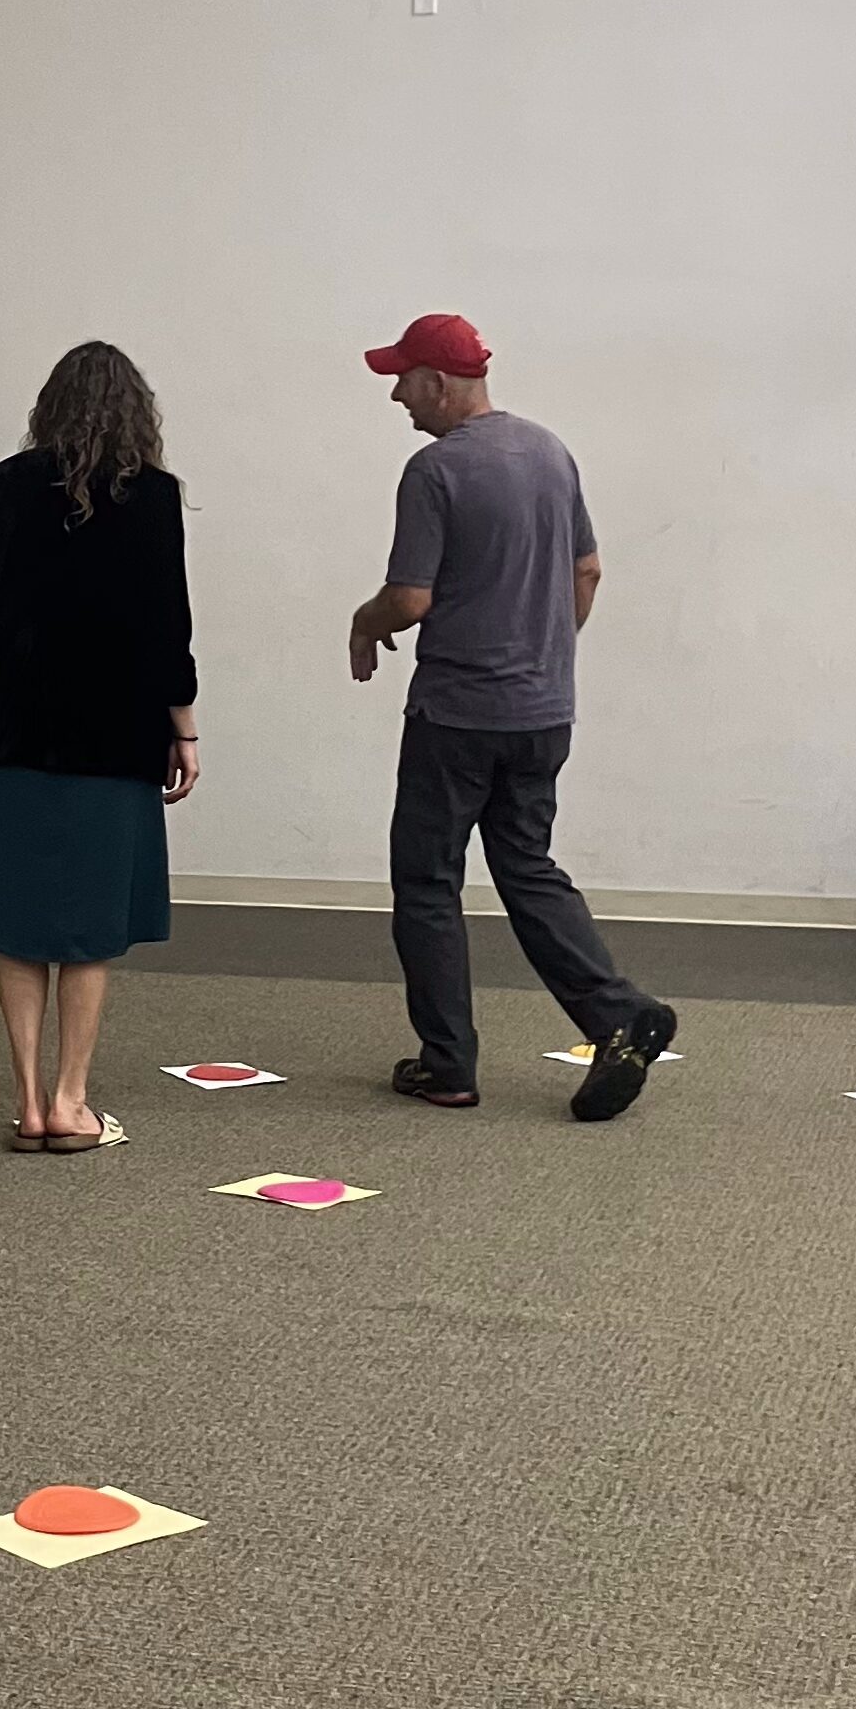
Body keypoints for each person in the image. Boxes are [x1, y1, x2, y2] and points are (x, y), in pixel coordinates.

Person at [348, 313, 677, 1121]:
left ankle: (448, 1066)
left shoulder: (435, 470)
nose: (396, 395)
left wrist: (363, 622)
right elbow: (588, 571)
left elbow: (410, 598)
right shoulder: (550, 452)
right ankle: (615, 1013)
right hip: (542, 712)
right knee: (527, 866)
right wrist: (543, 656)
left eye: (403, 379)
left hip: (457, 715)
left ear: (438, 382)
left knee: (427, 881)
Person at [0, 341, 199, 1154]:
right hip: (113, 737)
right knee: (89, 928)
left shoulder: (4, 484)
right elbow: (168, 629)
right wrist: (183, 729)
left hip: (13, 731)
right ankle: (71, 1102)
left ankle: (27, 1103)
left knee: (19, 924)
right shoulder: (153, 495)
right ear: (138, 413)